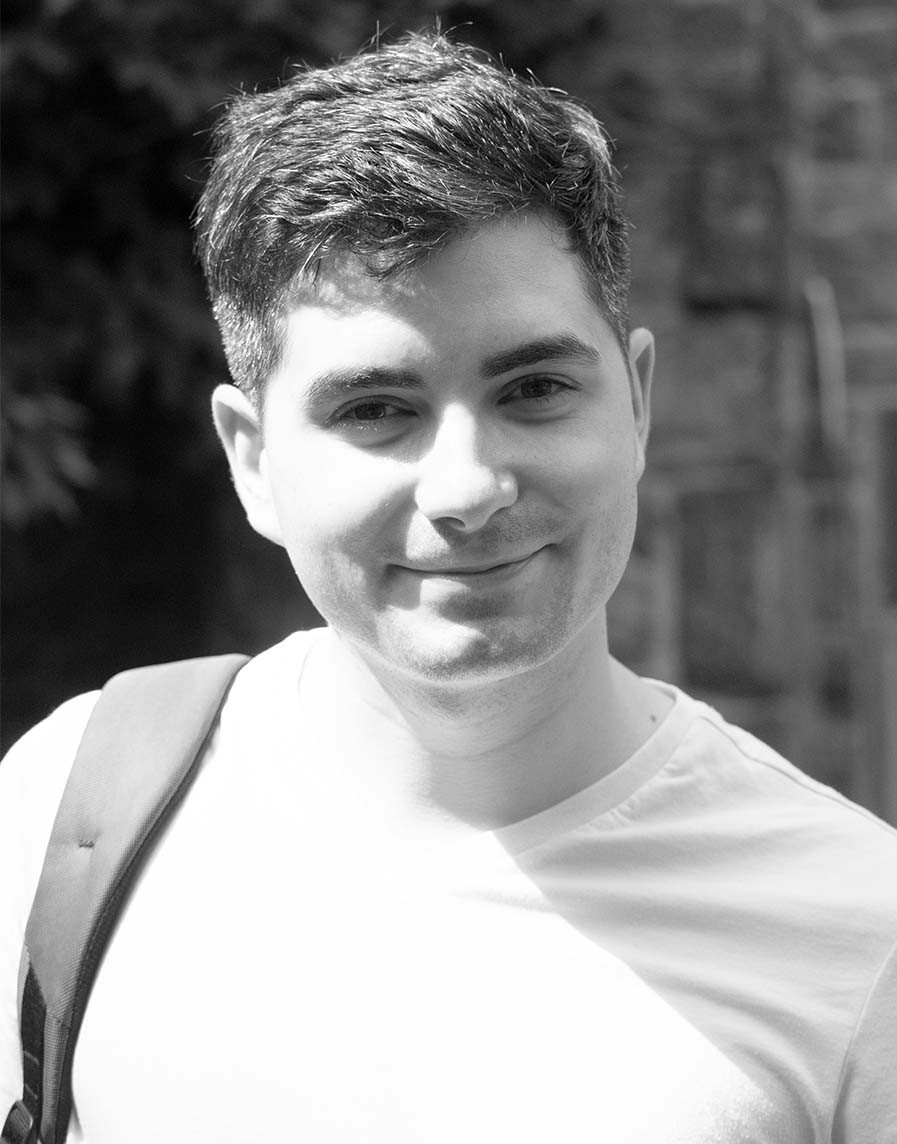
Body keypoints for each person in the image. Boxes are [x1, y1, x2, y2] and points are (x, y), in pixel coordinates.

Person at [2, 31, 895, 1144]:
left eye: (535, 388)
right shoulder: (62, 820)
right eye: (376, 410)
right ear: (252, 460)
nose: (467, 488)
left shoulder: (856, 941)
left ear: (637, 404)